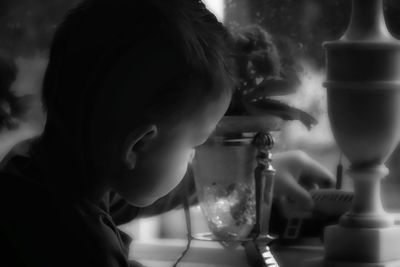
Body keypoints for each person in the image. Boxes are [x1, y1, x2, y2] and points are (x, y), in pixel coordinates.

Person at [0, 0, 334, 266]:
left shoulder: (38, 173)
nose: (192, 158)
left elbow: (153, 181)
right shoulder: (83, 248)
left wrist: (247, 170)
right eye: (195, 145)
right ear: (138, 144)